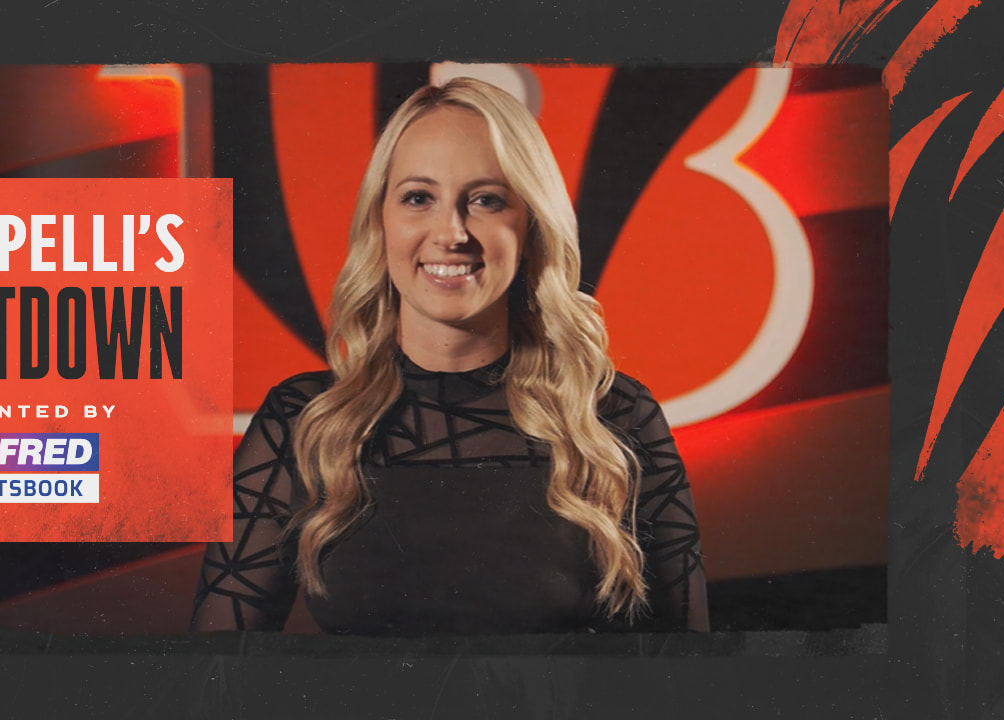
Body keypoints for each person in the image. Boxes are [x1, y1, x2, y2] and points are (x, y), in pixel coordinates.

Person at [192, 77, 708, 635]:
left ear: (530, 224)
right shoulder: (302, 423)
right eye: (419, 198)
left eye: (486, 200)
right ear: (380, 220)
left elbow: (687, 674)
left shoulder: (616, 418)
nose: (452, 232)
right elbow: (216, 674)